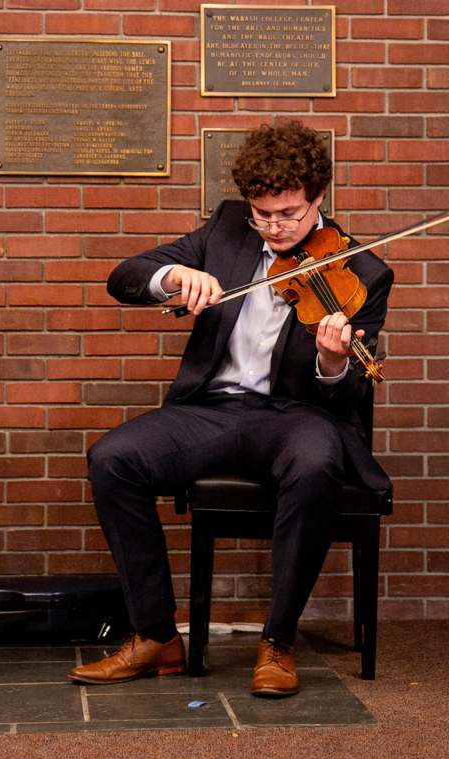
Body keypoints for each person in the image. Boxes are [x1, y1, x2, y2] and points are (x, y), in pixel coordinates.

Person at [67, 121, 393, 696]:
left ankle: (279, 642)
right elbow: (125, 277)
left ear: (318, 199)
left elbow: (349, 397)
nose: (274, 227)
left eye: (289, 214)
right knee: (113, 458)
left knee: (316, 464)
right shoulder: (225, 231)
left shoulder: (362, 270)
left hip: (298, 416)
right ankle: (155, 636)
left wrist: (333, 361)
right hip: (213, 409)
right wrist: (174, 276)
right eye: (263, 214)